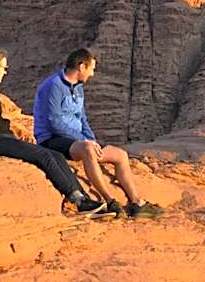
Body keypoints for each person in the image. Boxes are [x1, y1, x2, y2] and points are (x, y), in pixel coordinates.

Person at [0, 46, 108, 218]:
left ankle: (84, 198)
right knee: (43, 157)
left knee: (56, 155)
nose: (5, 72)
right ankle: (78, 201)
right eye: (4, 67)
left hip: (3, 137)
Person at [33, 48, 162, 219]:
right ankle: (110, 201)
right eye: (91, 68)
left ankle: (136, 203)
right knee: (88, 149)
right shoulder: (53, 86)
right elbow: (54, 122)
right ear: (81, 66)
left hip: (77, 142)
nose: (92, 74)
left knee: (120, 155)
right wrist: (84, 141)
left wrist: (91, 139)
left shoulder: (78, 87)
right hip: (52, 140)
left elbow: (82, 118)